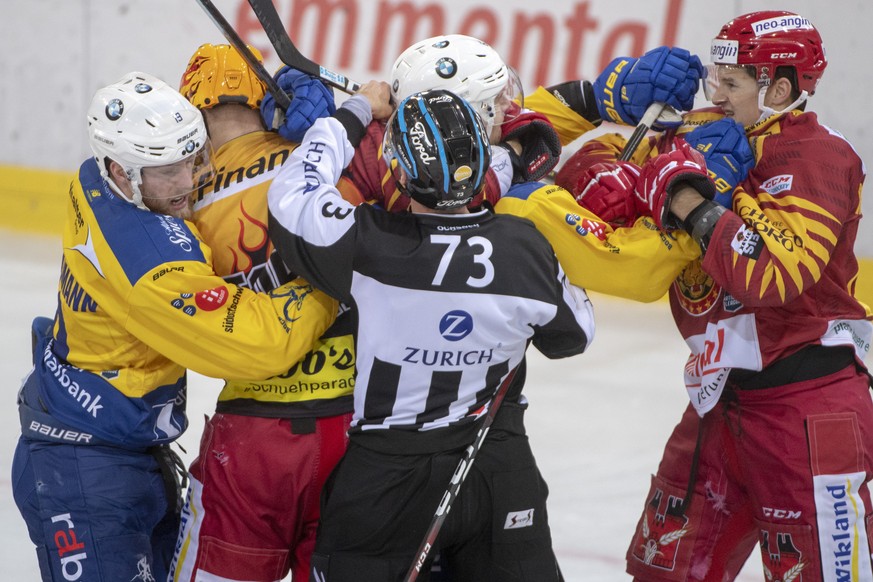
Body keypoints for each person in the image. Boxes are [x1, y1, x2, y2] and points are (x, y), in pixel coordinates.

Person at [564, 11, 873, 580]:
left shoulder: (821, 157)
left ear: (779, 89)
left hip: (809, 409)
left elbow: (770, 276)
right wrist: (629, 140)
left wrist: (686, 197)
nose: (716, 95)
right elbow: (586, 172)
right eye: (715, 79)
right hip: (717, 403)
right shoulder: (699, 129)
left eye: (731, 84)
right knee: (662, 572)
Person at [10, 71, 337, 582]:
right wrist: (331, 273)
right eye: (169, 172)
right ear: (122, 171)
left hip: (124, 444)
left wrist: (263, 98)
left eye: (194, 157)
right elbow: (264, 343)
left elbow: (184, 98)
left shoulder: (96, 173)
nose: (190, 182)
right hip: (85, 473)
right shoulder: (153, 268)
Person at [266, 86, 595, 580]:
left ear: (396, 169)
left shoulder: (367, 241)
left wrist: (354, 112)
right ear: (483, 158)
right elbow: (574, 336)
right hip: (496, 466)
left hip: (386, 481)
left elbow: (294, 191)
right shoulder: (523, 247)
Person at [169, 44, 352, 582]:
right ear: (265, 98)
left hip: (251, 436)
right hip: (351, 423)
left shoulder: (179, 199)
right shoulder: (316, 157)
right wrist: (334, 115)